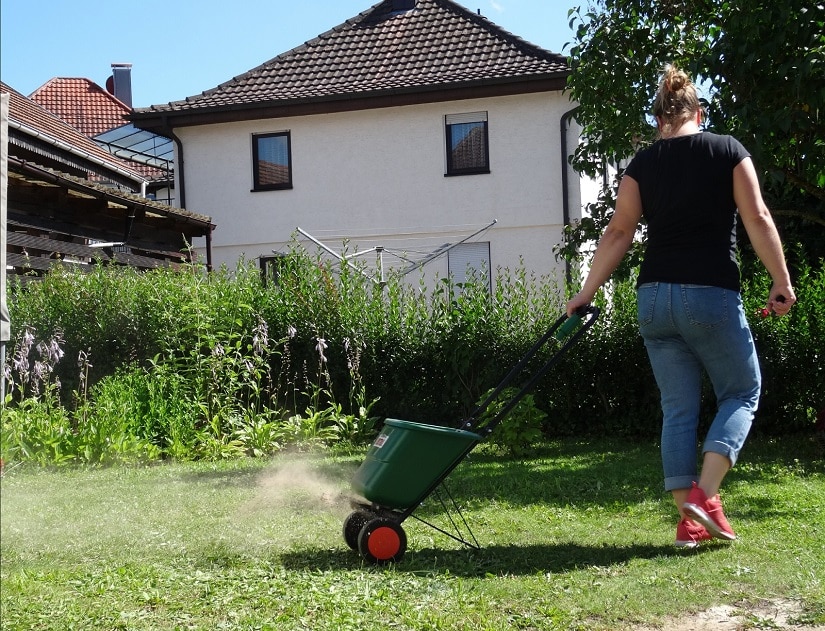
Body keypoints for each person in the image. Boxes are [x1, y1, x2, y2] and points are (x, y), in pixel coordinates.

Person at [565, 64, 796, 548]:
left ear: (659, 120)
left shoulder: (643, 164)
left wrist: (585, 293)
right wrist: (781, 280)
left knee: (678, 410)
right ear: (699, 111)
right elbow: (756, 215)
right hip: (708, 292)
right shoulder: (727, 149)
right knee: (743, 390)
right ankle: (704, 496)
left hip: (653, 300)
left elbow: (618, 233)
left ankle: (690, 524)